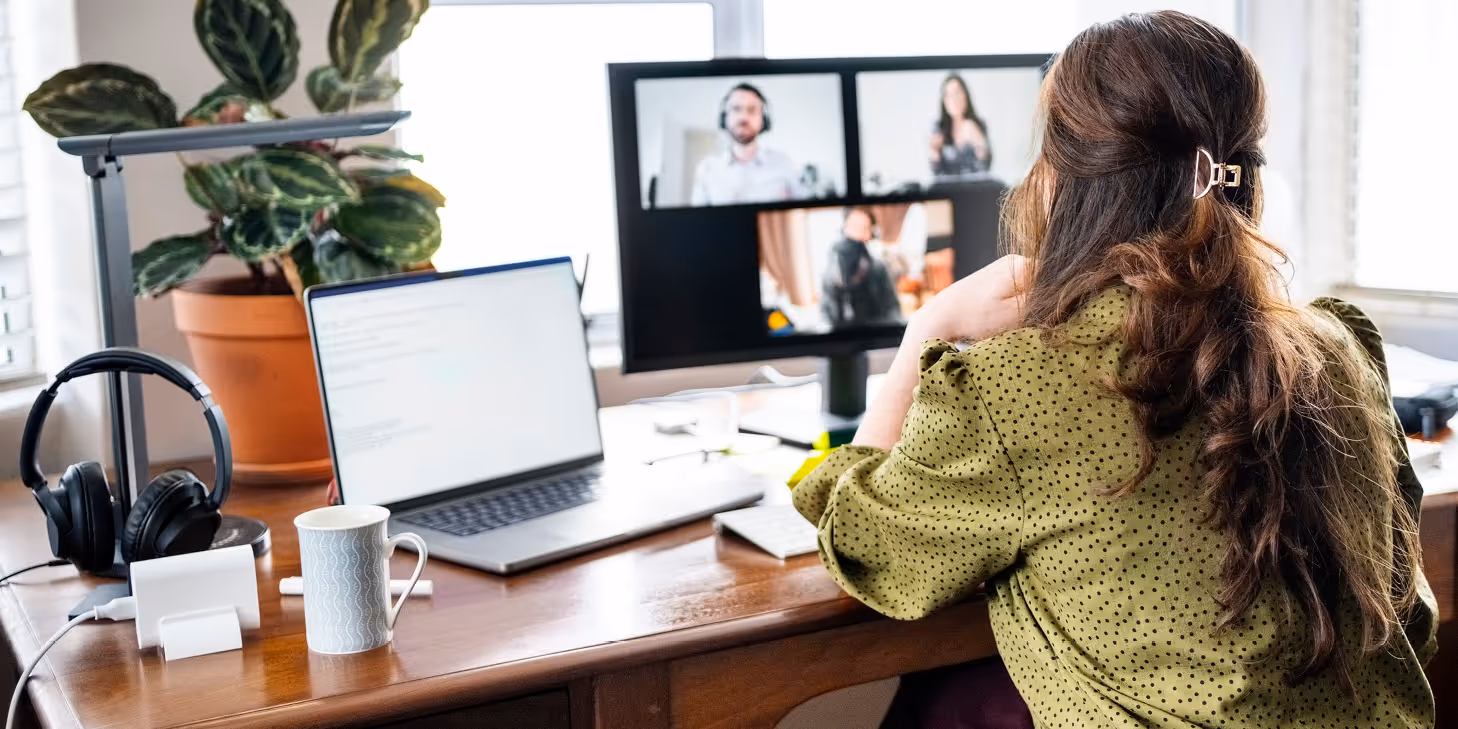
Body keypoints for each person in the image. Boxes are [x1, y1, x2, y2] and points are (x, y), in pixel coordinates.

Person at [794, 11, 1436, 729]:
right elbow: (1407, 609)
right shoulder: (1339, 346)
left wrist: (927, 328)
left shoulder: (1016, 387)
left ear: (1066, 181)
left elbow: (864, 544)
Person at [691, 83, 806, 206]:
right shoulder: (707, 168)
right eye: (736, 109)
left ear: (764, 119)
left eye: (752, 110)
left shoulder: (783, 162)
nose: (743, 117)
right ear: (724, 117)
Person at [820, 207, 902, 329]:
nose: (858, 236)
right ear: (844, 229)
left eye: (864, 229)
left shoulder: (878, 269)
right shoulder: (831, 269)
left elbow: (894, 313)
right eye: (854, 228)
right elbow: (826, 317)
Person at [929, 73, 992, 179]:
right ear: (944, 101)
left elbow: (985, 168)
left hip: (975, 189)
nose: (954, 99)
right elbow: (936, 174)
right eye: (948, 95)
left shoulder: (978, 125)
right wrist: (934, 151)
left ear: (965, 95)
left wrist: (978, 140)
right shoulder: (939, 128)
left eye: (957, 92)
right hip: (947, 191)